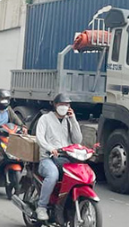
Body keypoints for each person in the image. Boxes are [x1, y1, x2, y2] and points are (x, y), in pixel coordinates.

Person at [35, 93, 83, 222]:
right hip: (48, 158)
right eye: (61, 104)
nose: (64, 107)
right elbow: (39, 138)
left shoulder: (68, 120)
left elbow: (77, 140)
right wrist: (50, 148)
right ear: (55, 105)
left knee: (78, 176)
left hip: (65, 158)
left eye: (66, 105)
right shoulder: (45, 118)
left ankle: (65, 205)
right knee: (53, 175)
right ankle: (42, 207)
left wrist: (73, 119)